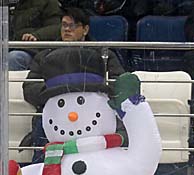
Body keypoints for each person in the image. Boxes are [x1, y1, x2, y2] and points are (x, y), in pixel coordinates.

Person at [22, 7, 126, 163]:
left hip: (93, 112)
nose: (67, 30)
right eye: (64, 25)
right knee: (41, 123)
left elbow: (119, 83)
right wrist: (56, 92)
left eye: (73, 25)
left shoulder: (103, 55)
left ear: (85, 30)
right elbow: (29, 89)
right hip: (56, 113)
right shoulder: (45, 55)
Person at [8, 0, 61, 70]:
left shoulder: (50, 3)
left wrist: (36, 35)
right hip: (16, 47)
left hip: (37, 51)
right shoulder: (18, 5)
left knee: (14, 58)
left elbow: (56, 28)